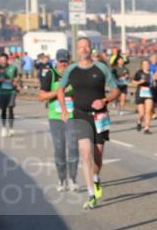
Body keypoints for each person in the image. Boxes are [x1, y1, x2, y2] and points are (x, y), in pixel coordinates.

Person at [56, 37, 119, 210]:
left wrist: (104, 100)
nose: (84, 49)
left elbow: (116, 90)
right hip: (80, 116)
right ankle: (91, 195)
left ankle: (96, 179)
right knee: (85, 154)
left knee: (97, 156)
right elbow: (60, 89)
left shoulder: (101, 68)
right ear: (77, 50)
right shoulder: (71, 69)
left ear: (91, 49)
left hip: (99, 116)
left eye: (87, 46)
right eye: (81, 47)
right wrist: (63, 109)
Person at [37, 49, 79, 191]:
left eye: (65, 61)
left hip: (73, 116)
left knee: (73, 147)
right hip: (56, 117)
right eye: (61, 61)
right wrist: (59, 91)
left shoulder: (75, 74)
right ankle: (62, 179)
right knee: (60, 149)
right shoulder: (51, 74)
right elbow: (41, 96)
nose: (63, 64)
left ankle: (73, 179)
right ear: (56, 61)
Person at [0, 53, 21, 137]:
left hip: (11, 91)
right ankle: (4, 127)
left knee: (11, 108)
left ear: (7, 60)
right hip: (1, 91)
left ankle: (11, 129)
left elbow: (17, 77)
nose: (2, 62)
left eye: (3, 60)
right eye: (0, 60)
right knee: (3, 109)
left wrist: (16, 82)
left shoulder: (13, 68)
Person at [133, 59, 154, 134]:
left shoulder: (152, 73)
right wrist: (139, 82)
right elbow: (133, 81)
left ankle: (146, 128)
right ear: (142, 65)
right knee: (141, 113)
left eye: (147, 64)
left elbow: (154, 83)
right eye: (144, 64)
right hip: (140, 93)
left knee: (148, 111)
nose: (146, 65)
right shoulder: (139, 73)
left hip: (148, 93)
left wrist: (155, 80)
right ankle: (139, 121)